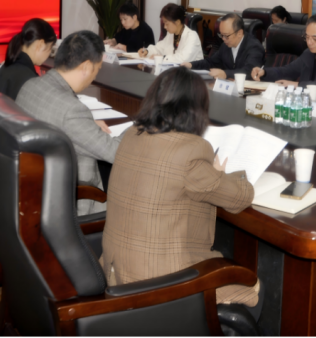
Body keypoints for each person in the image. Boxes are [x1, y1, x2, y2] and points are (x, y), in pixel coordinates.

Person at [101, 67, 263, 318]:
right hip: (159, 284)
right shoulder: (191, 150)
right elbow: (239, 198)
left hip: (115, 272)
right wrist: (224, 174)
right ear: (196, 109)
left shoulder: (131, 134)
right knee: (252, 285)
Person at [16, 31, 121, 215]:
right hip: (68, 205)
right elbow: (115, 153)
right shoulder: (72, 111)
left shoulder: (30, 85)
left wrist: (88, 124)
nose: (94, 76)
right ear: (86, 66)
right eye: (97, 69)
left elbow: (62, 121)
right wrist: (137, 128)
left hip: (29, 193)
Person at [251, 13, 316, 97]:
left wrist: (296, 85)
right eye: (307, 37)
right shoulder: (309, 54)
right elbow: (287, 71)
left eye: (315, 38)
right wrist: (264, 72)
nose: (309, 42)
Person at [0, 18, 57, 100]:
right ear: (40, 45)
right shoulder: (30, 80)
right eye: (50, 48)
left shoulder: (8, 66)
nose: (49, 54)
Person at [182, 13, 264, 79]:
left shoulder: (254, 47)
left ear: (239, 33)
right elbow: (211, 62)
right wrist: (191, 65)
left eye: (226, 35)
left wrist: (225, 74)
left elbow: (250, 71)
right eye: (221, 35)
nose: (223, 39)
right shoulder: (226, 45)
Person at [138, 3, 203, 63]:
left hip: (190, 71)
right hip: (174, 70)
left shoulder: (192, 36)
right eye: (164, 23)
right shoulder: (170, 34)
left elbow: (184, 59)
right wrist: (147, 51)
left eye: (167, 24)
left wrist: (163, 58)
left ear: (177, 22)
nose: (165, 27)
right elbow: (159, 48)